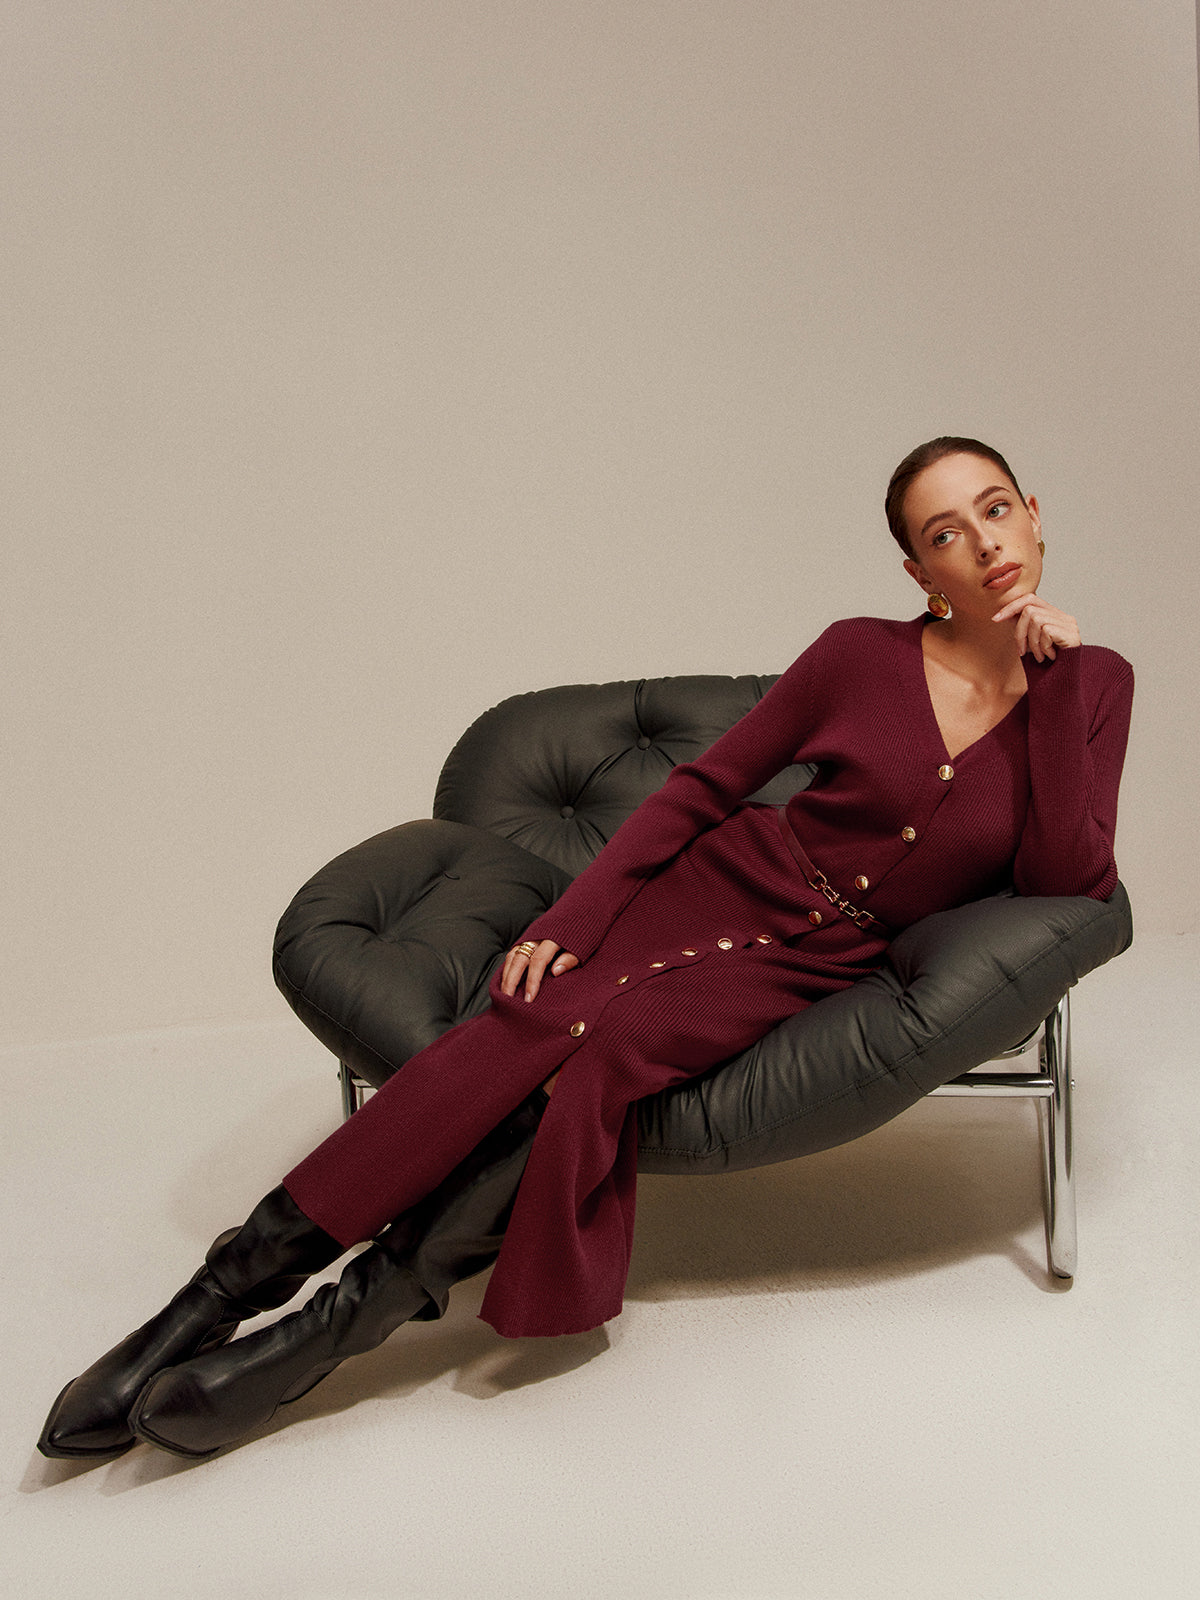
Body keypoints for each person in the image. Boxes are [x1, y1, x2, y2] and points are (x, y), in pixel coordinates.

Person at [38, 437, 1134, 1462]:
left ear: (1035, 516)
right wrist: (571, 920)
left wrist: (1051, 690)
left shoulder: (1096, 685)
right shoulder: (858, 653)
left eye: (997, 510)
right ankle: (207, 1303)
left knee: (599, 1061)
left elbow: (1068, 877)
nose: (984, 542)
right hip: (723, 881)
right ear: (918, 570)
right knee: (532, 1021)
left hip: (815, 959)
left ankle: (319, 1336)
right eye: (947, 532)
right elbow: (705, 787)